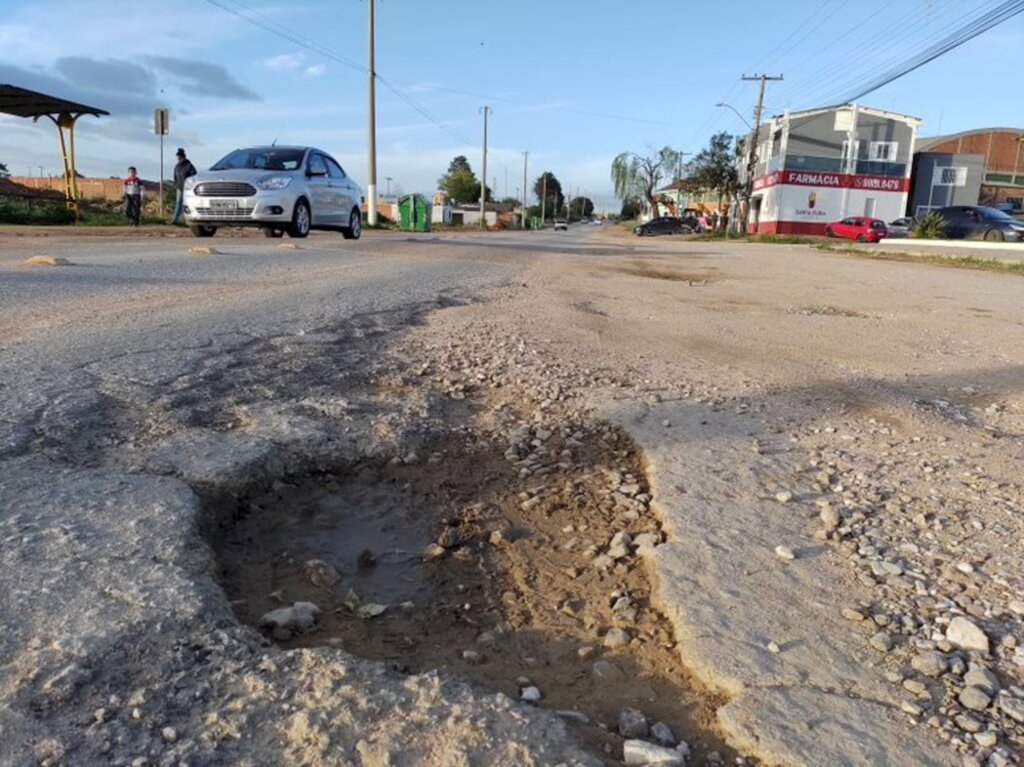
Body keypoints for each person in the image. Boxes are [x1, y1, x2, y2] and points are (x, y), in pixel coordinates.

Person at [171, 148, 197, 224]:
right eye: (177, 157)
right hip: (179, 187)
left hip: (187, 188)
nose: (178, 159)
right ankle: (175, 220)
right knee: (178, 203)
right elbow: (175, 177)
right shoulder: (177, 166)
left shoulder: (189, 166)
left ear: (183, 157)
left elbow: (194, 176)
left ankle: (186, 219)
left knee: (186, 204)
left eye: (179, 157)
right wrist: (176, 184)